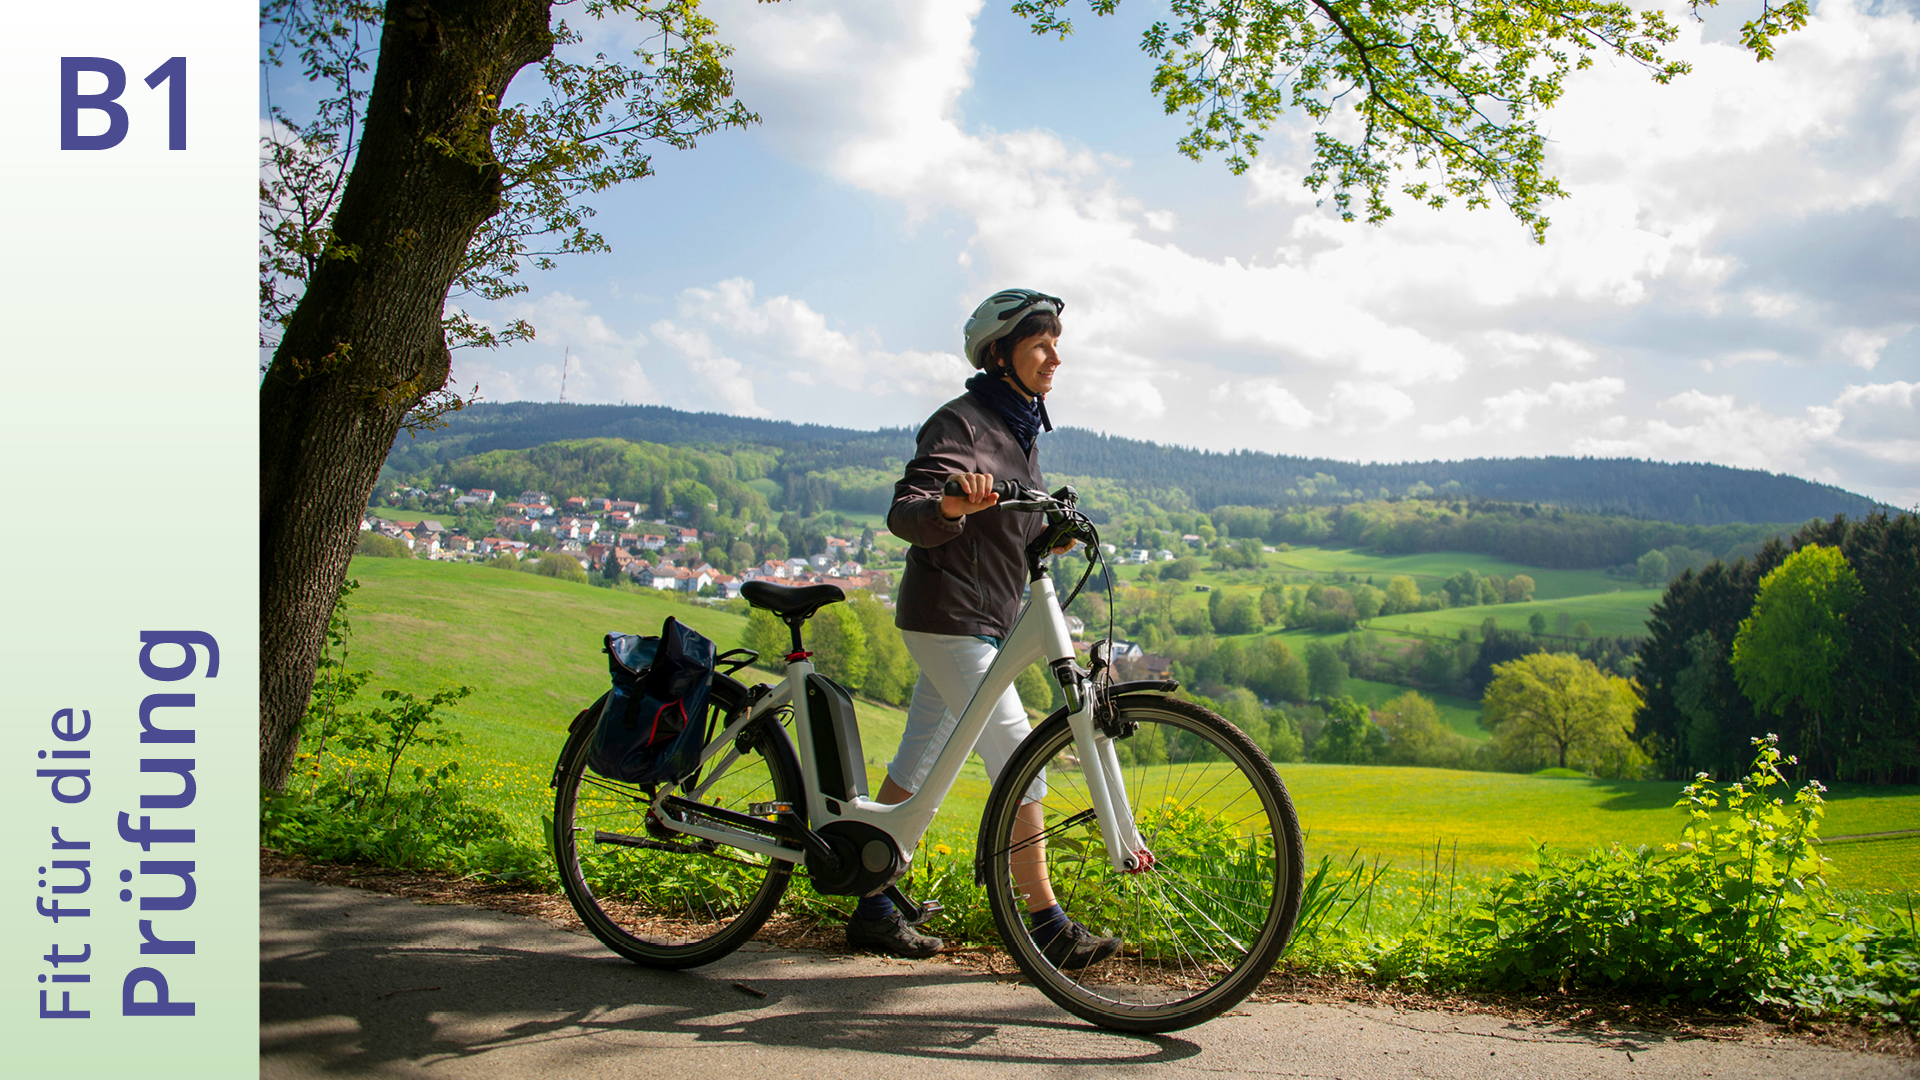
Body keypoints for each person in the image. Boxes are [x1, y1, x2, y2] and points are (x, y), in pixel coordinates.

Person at [849, 288, 1122, 969]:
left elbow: (1006, 523)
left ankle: (871, 902)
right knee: (1022, 760)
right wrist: (949, 504)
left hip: (983, 621)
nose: (1054, 357)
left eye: (1056, 345)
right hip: (950, 616)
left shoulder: (1019, 431)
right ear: (1000, 355)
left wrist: (1048, 534)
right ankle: (1045, 925)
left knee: (917, 764)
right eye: (1040, 345)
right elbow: (909, 509)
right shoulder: (961, 424)